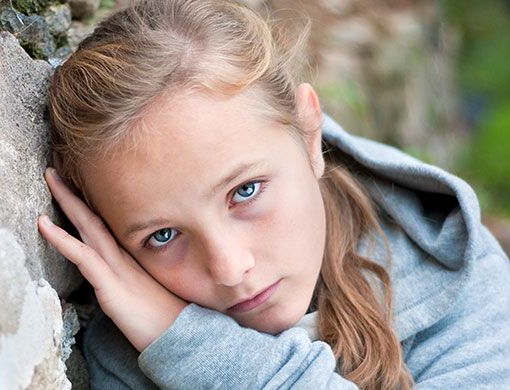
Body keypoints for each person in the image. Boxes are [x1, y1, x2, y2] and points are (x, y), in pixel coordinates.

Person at [36, 0, 510, 388]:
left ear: (308, 133)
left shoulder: (456, 275)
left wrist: (195, 349)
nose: (229, 267)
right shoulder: (126, 351)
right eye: (162, 236)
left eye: (245, 191)